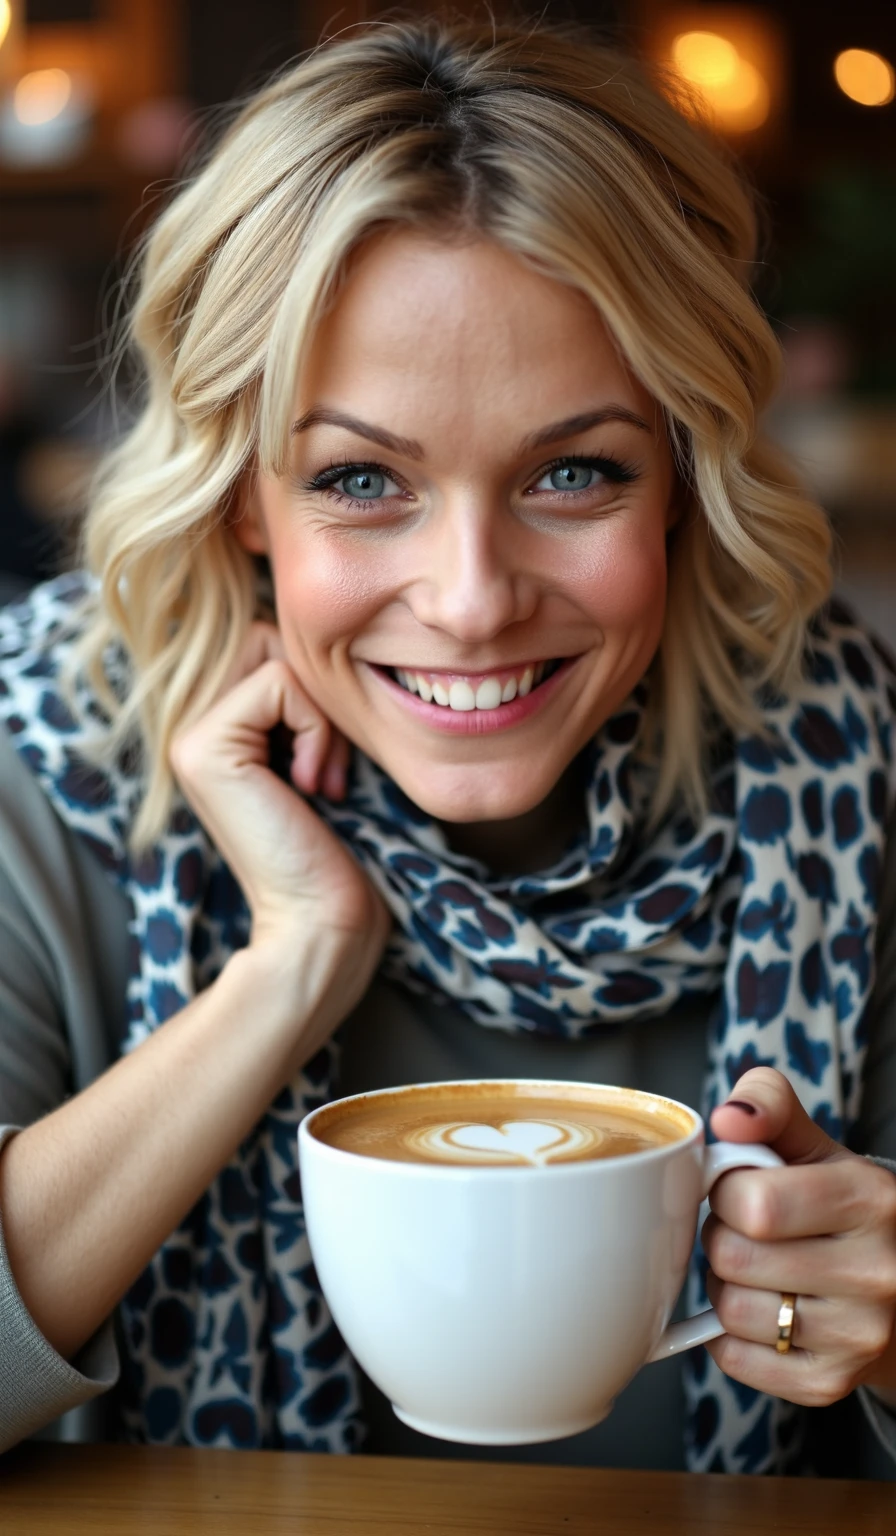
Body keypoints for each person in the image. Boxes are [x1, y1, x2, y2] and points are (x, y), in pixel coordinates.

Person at [1, 17, 895, 1478]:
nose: (472, 601)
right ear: (242, 494)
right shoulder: (42, 772)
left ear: (680, 474)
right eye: (361, 479)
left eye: (573, 472)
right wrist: (291, 957)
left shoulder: (857, 789)